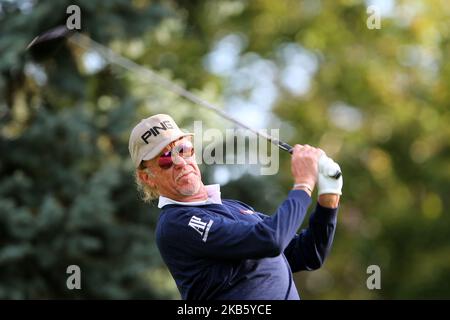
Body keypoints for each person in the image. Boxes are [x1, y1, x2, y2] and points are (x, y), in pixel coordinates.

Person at [129, 114, 343, 300]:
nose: (180, 162)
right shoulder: (176, 223)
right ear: (147, 177)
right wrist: (304, 184)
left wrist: (329, 196)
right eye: (166, 159)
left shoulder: (232, 207)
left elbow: (308, 254)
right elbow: (270, 239)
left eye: (183, 149)